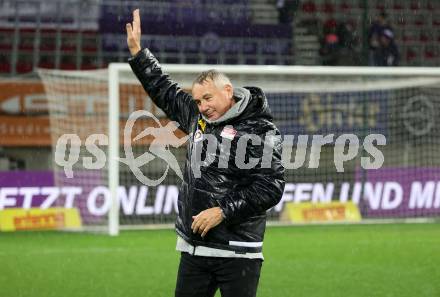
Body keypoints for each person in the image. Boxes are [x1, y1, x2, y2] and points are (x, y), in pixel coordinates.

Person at [125, 9, 285, 297]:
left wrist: (223, 211)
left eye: (207, 98)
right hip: (195, 246)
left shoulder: (259, 129)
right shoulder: (197, 118)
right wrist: (139, 55)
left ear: (228, 91)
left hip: (238, 250)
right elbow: (165, 90)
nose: (202, 106)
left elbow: (271, 186)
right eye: (198, 100)